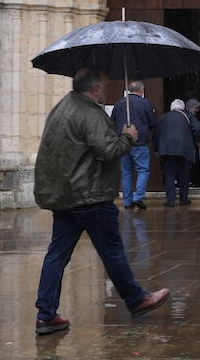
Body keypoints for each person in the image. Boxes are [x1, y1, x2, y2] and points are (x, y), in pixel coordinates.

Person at [32, 68, 170, 335]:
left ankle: (46, 314)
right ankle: (136, 299)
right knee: (112, 251)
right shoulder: (90, 113)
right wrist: (128, 137)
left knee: (57, 255)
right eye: (104, 87)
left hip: (66, 196)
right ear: (94, 89)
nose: (106, 91)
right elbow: (108, 150)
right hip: (90, 194)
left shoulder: (61, 109)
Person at [111, 80, 156, 210]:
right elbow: (153, 122)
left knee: (126, 172)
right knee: (142, 170)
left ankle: (127, 201)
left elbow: (112, 121)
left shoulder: (119, 103)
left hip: (123, 142)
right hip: (140, 142)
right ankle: (138, 197)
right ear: (141, 91)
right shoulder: (146, 103)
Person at [154, 98, 200, 207]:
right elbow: (198, 128)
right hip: (183, 149)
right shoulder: (187, 116)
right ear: (182, 108)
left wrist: (156, 149)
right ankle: (183, 200)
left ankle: (170, 201)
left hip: (166, 150)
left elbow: (156, 134)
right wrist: (198, 141)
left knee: (169, 174)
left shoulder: (163, 117)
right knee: (183, 174)